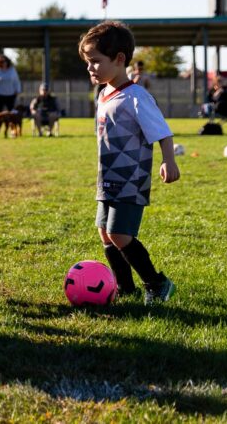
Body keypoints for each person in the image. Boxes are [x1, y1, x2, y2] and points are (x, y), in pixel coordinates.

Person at [78, 21, 179, 305]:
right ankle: (125, 288)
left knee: (120, 234)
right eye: (88, 63)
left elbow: (163, 131)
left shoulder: (136, 97)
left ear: (120, 59)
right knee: (105, 233)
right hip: (106, 176)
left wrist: (168, 160)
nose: (90, 69)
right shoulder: (103, 94)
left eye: (96, 62)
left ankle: (157, 284)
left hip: (130, 177)